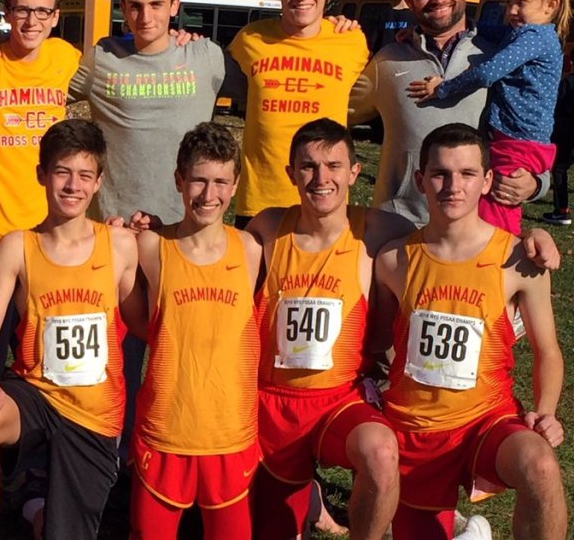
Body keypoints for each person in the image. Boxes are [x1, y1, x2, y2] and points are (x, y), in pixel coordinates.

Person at [375, 123, 567, 540]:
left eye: (466, 174)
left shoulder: (518, 259)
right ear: (421, 179)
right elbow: (377, 342)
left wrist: (546, 410)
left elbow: (547, 349)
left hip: (487, 419)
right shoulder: (393, 260)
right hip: (414, 428)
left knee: (541, 466)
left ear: (488, 181)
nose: (452, 186)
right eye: (441, 174)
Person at [0, 119, 142, 540]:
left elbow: (146, 321)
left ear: (98, 183)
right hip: (34, 393)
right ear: (42, 174)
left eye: (84, 175)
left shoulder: (120, 245)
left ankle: (36, 508)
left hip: (95, 413)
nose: (72, 185)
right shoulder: (17, 246)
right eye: (62, 172)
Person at [246, 118, 412, 539]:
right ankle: (305, 502)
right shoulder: (267, 228)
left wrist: (527, 241)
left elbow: (456, 245)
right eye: (309, 166)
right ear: (290, 173)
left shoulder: (378, 231)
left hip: (337, 401)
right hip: (268, 405)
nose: (322, 178)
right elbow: (206, 256)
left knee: (380, 452)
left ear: (354, 172)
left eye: (334, 166)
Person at [130, 122, 262, 539]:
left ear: (236, 184)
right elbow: (139, 321)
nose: (209, 195)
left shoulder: (251, 249)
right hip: (166, 429)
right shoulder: (150, 246)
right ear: (178, 180)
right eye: (198, 181)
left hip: (230, 432)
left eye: (221, 182)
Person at [349, 0, 545, 225]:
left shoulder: (503, 57)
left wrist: (537, 183)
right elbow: (332, 113)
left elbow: (536, 125)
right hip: (400, 233)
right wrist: (328, 34)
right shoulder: (387, 61)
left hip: (478, 235)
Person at [408, 0, 570, 234]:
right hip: (513, 138)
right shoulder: (519, 34)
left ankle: (498, 261)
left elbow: (486, 74)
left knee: (497, 211)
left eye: (521, 2)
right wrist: (417, 30)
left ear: (551, 5)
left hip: (518, 141)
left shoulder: (535, 38)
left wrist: (443, 87)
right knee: (489, 204)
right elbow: (482, 28)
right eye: (508, 3)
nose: (511, 11)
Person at [68, 0, 230, 227]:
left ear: (174, 6)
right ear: (124, 7)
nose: (145, 17)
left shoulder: (206, 57)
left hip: (188, 226)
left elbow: (268, 81)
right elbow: (40, 84)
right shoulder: (102, 59)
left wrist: (326, 32)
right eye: (136, 6)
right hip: (116, 227)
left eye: (156, 5)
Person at [228, 0, 369, 226]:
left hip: (326, 202)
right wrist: (183, 36)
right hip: (261, 207)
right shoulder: (249, 40)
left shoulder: (352, 41)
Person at [543, 51, 574, 224]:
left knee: (559, 169)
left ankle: (562, 210)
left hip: (566, 133)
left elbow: (554, 105)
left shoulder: (567, 84)